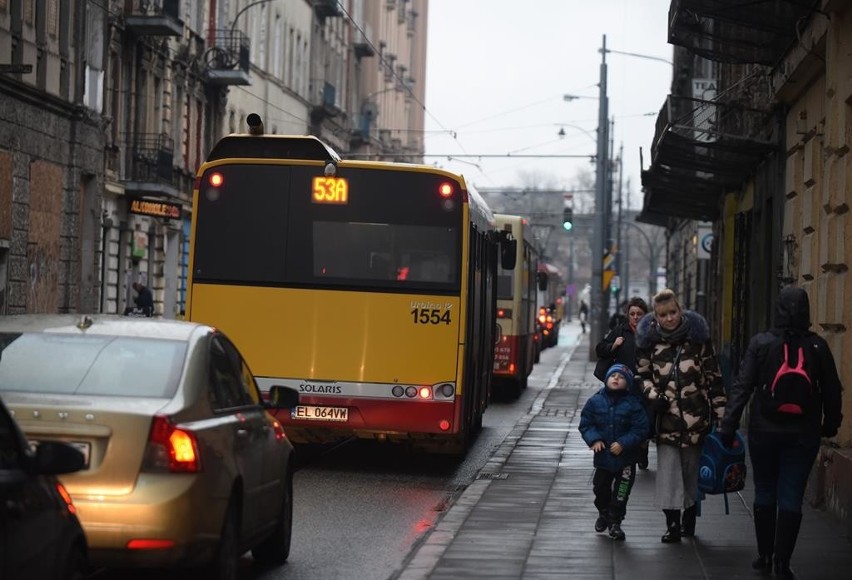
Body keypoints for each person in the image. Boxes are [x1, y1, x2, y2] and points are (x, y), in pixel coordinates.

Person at [718, 287, 843, 578]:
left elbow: (742, 385)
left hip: (764, 430)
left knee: (764, 489)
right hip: (804, 433)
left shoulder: (761, 343)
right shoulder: (818, 346)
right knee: (791, 494)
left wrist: (729, 425)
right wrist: (831, 424)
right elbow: (832, 390)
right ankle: (783, 562)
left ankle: (764, 554)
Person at [635, 288, 726, 543]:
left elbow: (713, 376)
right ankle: (672, 525)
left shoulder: (697, 339)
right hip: (667, 421)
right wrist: (655, 396)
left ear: (680, 310)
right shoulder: (649, 342)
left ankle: (689, 520)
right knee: (669, 474)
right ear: (656, 316)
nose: (669, 318)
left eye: (673, 312)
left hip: (697, 420)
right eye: (663, 315)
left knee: (691, 472)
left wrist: (721, 412)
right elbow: (641, 377)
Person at [579, 363, 648, 541]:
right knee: (600, 488)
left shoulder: (633, 404)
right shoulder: (595, 401)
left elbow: (640, 429)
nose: (616, 379)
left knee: (621, 491)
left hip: (626, 459)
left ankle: (615, 521)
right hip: (603, 458)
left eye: (622, 377)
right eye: (613, 376)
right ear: (606, 379)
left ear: (628, 384)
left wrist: (624, 443)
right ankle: (603, 512)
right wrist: (595, 439)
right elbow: (586, 424)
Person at [595, 297, 652, 468]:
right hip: (624, 387)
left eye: (639, 314)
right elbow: (600, 349)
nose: (635, 317)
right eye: (632, 314)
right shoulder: (620, 331)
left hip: (645, 386)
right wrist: (613, 345)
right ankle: (628, 454)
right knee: (625, 421)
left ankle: (643, 448)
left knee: (643, 421)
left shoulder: (651, 332)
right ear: (628, 315)